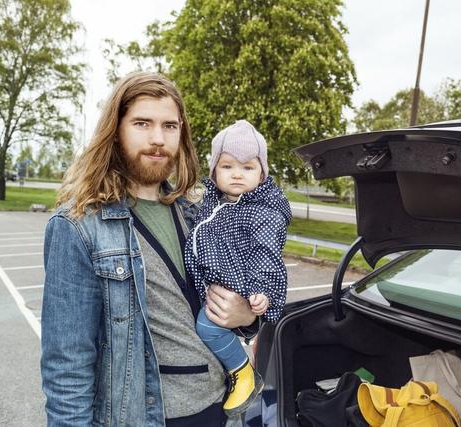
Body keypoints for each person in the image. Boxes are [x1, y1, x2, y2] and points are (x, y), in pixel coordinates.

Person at [40, 72, 257, 427]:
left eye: (170, 126)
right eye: (143, 123)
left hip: (222, 409)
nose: (158, 139)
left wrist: (248, 315)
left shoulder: (200, 212)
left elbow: (240, 302)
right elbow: (67, 366)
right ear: (117, 130)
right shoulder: (78, 226)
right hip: (147, 416)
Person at [184, 120, 292, 417]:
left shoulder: (263, 213)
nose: (237, 175)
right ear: (214, 171)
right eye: (228, 166)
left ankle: (241, 371)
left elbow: (267, 255)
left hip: (237, 288)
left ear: (262, 173)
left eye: (247, 168)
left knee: (208, 326)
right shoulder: (212, 202)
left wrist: (263, 293)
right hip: (215, 283)